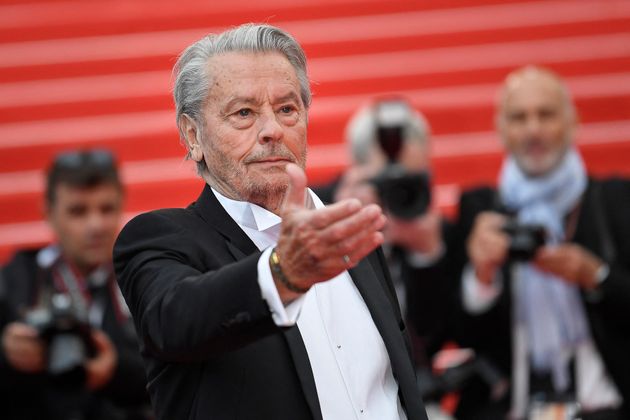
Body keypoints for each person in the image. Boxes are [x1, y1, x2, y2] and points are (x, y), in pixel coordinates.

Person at [113, 24, 428, 420]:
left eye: (286, 109)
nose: (273, 130)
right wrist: (283, 274)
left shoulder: (347, 229)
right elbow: (176, 318)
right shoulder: (159, 240)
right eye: (244, 112)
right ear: (193, 135)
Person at [449, 66, 630, 419]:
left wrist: (597, 276)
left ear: (572, 122)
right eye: (519, 118)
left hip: (605, 404)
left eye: (545, 114)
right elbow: (463, 333)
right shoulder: (482, 207)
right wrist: (481, 277)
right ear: (501, 129)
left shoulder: (615, 199)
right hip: (514, 406)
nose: (533, 129)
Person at [0, 150, 151, 420]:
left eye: (107, 209)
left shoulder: (145, 277)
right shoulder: (15, 280)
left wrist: (116, 369)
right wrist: (7, 354)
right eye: (78, 211)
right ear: (48, 212)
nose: (96, 225)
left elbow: (179, 372)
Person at [314, 98, 452, 370]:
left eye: (406, 181)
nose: (395, 193)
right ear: (355, 171)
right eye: (384, 182)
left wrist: (427, 257)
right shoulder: (320, 209)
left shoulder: (434, 227)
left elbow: (436, 339)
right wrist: (342, 228)